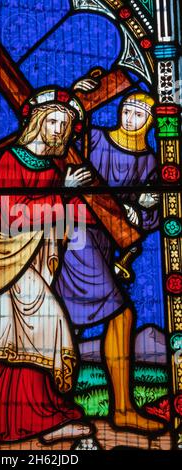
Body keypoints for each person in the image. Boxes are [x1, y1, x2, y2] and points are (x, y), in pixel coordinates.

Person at [0, 88, 94, 449]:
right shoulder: (7, 160)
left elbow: (52, 223)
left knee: (43, 331)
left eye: (65, 124)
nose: (59, 129)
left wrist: (62, 198)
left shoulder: (50, 169)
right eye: (53, 121)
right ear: (36, 121)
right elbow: (5, 213)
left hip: (29, 260)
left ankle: (41, 420)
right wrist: (62, 193)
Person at [56, 92, 163, 431]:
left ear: (150, 122)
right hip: (75, 233)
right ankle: (121, 408)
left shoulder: (148, 161)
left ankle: (59, 404)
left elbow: (151, 216)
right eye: (126, 110)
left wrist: (142, 209)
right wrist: (77, 95)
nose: (129, 117)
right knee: (121, 314)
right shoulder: (94, 137)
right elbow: (59, 142)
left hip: (104, 243)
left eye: (139, 114)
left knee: (65, 321)